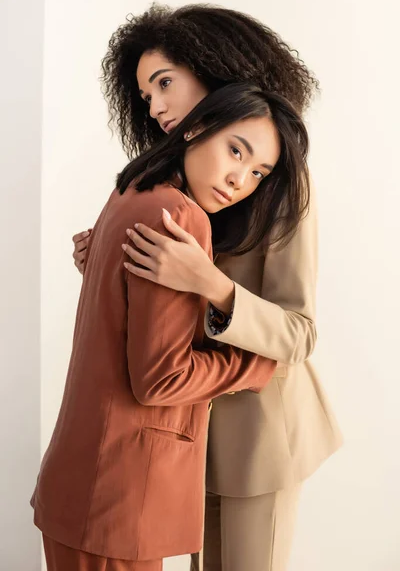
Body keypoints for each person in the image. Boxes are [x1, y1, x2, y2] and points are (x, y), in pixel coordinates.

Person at [72, 5, 343, 571]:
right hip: (188, 424)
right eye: (147, 95)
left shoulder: (282, 178)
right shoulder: (174, 176)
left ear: (211, 67)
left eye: (165, 83)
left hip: (263, 433)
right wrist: (114, 266)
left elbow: (300, 333)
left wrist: (211, 282)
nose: (158, 106)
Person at [31, 82, 311, 571]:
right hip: (120, 489)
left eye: (257, 171)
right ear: (199, 127)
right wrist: (253, 365)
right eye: (235, 151)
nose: (240, 178)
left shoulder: (130, 189)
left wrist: (204, 283)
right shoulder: (181, 215)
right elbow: (163, 377)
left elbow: (299, 331)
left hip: (101, 478)